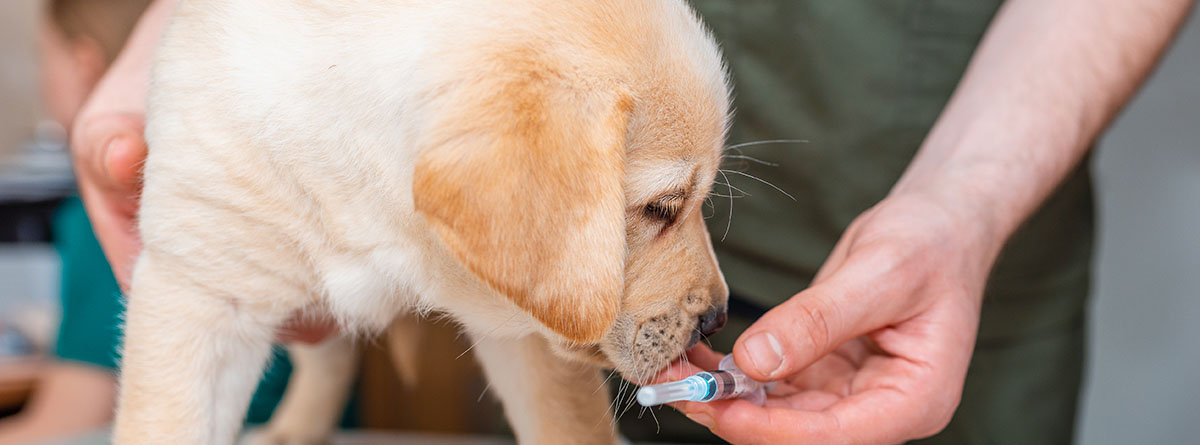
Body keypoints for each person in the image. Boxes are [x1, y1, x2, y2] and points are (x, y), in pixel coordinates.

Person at [71, 0, 1194, 444]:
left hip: (946, 213)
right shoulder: (513, 172)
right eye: (667, 211)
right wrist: (187, 43)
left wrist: (963, 203)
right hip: (526, 164)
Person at [0, 1, 322, 442]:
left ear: (83, 64)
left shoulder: (119, 199)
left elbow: (71, 420)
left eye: (44, 57)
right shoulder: (251, 164)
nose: (41, 79)